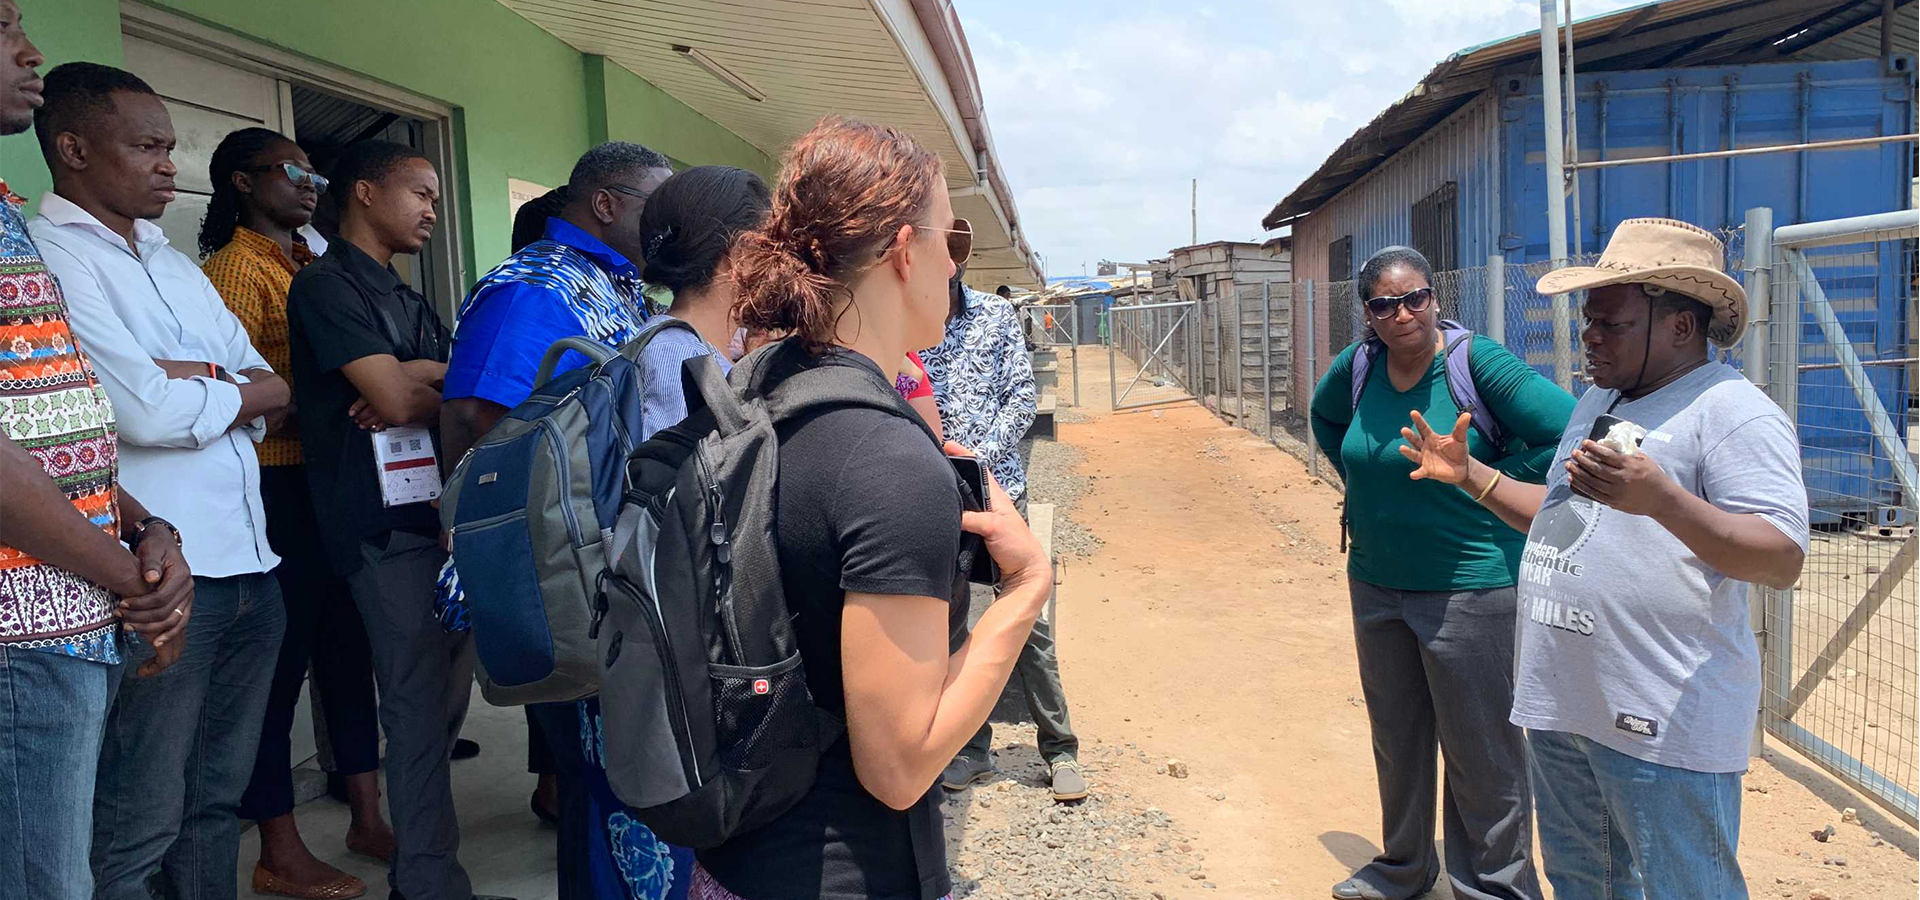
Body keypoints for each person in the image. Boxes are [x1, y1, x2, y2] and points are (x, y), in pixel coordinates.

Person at [687, 116, 1050, 900]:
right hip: (843, 868)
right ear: (903, 250)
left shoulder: (759, 388)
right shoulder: (888, 463)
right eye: (949, 239)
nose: (956, 263)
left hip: (735, 850)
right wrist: (1023, 593)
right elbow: (898, 765)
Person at [1399, 218, 1808, 900]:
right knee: (1587, 881)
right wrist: (1473, 476)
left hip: (1661, 722)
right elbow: (1565, 521)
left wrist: (1664, 501)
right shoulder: (1600, 399)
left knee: (1684, 888)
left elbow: (1781, 559)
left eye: (1610, 324)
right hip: (1568, 704)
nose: (1589, 336)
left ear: (1680, 326)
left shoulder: (1733, 412)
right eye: (1590, 321)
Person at [30, 61, 290, 900]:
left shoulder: (174, 261)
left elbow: (274, 385)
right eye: (148, 147)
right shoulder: (51, 256)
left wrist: (203, 381)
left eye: (171, 148)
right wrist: (227, 389)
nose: (170, 167)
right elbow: (139, 412)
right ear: (73, 149)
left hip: (252, 564)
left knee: (216, 803)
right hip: (160, 576)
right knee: (137, 817)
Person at [438, 142, 695, 900]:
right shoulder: (534, 286)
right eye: (660, 207)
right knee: (607, 783)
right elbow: (485, 419)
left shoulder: (615, 283)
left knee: (613, 780)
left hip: (616, 571)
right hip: (568, 577)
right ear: (606, 203)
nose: (670, 228)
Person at [0, 7, 193, 897]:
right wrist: (130, 575)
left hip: (71, 613)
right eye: (1, 26)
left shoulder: (2, 216)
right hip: (18, 634)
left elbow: (50, 423)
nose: (29, 49)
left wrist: (150, 528)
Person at [1308, 246, 1569, 900]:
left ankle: (1497, 888)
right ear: (1366, 314)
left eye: (1414, 298)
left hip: (1472, 587)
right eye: (1384, 304)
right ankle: (1405, 868)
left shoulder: (1475, 364)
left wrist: (1494, 481)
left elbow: (1568, 432)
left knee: (1483, 752)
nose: (1402, 314)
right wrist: (1371, 485)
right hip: (1375, 581)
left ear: (1435, 298)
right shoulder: (1359, 367)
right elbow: (1326, 419)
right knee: (1397, 738)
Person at [286, 139, 509, 900]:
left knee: (442, 706)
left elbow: (457, 400)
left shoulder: (407, 297)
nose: (431, 210)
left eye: (437, 198)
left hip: (436, 521)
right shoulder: (325, 288)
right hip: (379, 529)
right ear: (362, 192)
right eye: (419, 193)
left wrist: (423, 377)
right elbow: (393, 401)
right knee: (415, 707)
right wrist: (418, 384)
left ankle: (424, 861)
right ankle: (427, 880)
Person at [200, 126, 392, 899]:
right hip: (276, 490)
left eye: (313, 170)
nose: (307, 182)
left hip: (339, 482)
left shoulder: (319, 262)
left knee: (350, 651)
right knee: (277, 673)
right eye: (288, 170)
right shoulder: (229, 274)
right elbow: (238, 398)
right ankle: (277, 848)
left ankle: (367, 816)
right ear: (242, 183)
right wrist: (349, 396)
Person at [923, 264, 1080, 803]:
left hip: (996, 493)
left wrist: (976, 463)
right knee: (952, 622)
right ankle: (972, 750)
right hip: (930, 493)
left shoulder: (994, 314)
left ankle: (1060, 750)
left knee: (1025, 619)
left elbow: (1020, 398)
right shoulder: (906, 320)